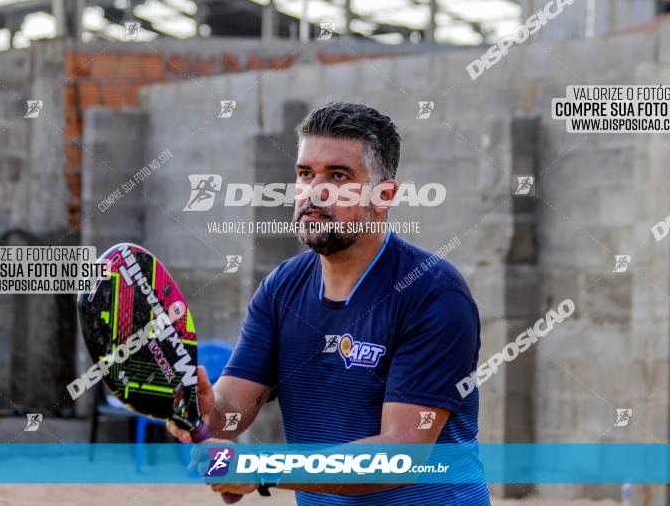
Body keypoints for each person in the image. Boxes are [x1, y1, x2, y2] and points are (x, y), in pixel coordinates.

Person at [168, 102, 490, 505]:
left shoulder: (433, 293)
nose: (314, 191)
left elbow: (402, 453)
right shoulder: (281, 288)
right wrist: (204, 411)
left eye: (338, 176)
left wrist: (262, 468)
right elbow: (233, 414)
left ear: (385, 195)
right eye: (305, 174)